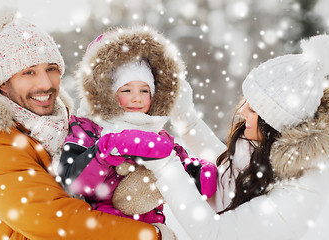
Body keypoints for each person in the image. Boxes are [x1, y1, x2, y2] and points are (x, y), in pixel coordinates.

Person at [141, 34, 329, 239]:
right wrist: (186, 118)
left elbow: (216, 234)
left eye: (254, 109)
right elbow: (228, 170)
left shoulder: (303, 189)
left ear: (276, 122)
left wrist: (164, 166)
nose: (242, 112)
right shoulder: (265, 149)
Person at [0, 7, 162, 239]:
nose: (45, 83)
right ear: (3, 85)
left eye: (51, 69)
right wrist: (152, 235)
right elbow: (57, 219)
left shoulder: (72, 124)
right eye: (28, 73)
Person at [57, 26, 217, 238]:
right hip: (102, 230)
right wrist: (107, 150)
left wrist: (197, 174)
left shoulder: (158, 135)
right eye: (126, 90)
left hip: (150, 231)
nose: (137, 98)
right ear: (107, 94)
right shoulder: (87, 128)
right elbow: (73, 183)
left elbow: (178, 166)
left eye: (144, 90)